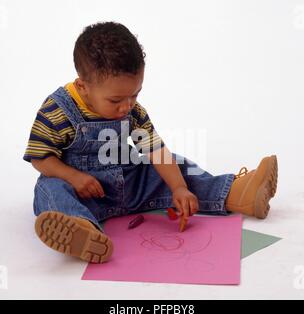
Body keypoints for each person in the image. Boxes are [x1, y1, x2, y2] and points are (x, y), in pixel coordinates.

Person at [23, 21, 278, 264]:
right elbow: (40, 157)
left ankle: (236, 194)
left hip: (127, 185)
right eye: (115, 101)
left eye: (135, 94)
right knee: (50, 189)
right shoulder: (58, 109)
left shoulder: (132, 111)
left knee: (176, 165)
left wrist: (178, 188)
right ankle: (83, 230)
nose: (127, 106)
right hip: (84, 194)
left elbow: (155, 150)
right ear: (83, 86)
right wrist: (73, 177)